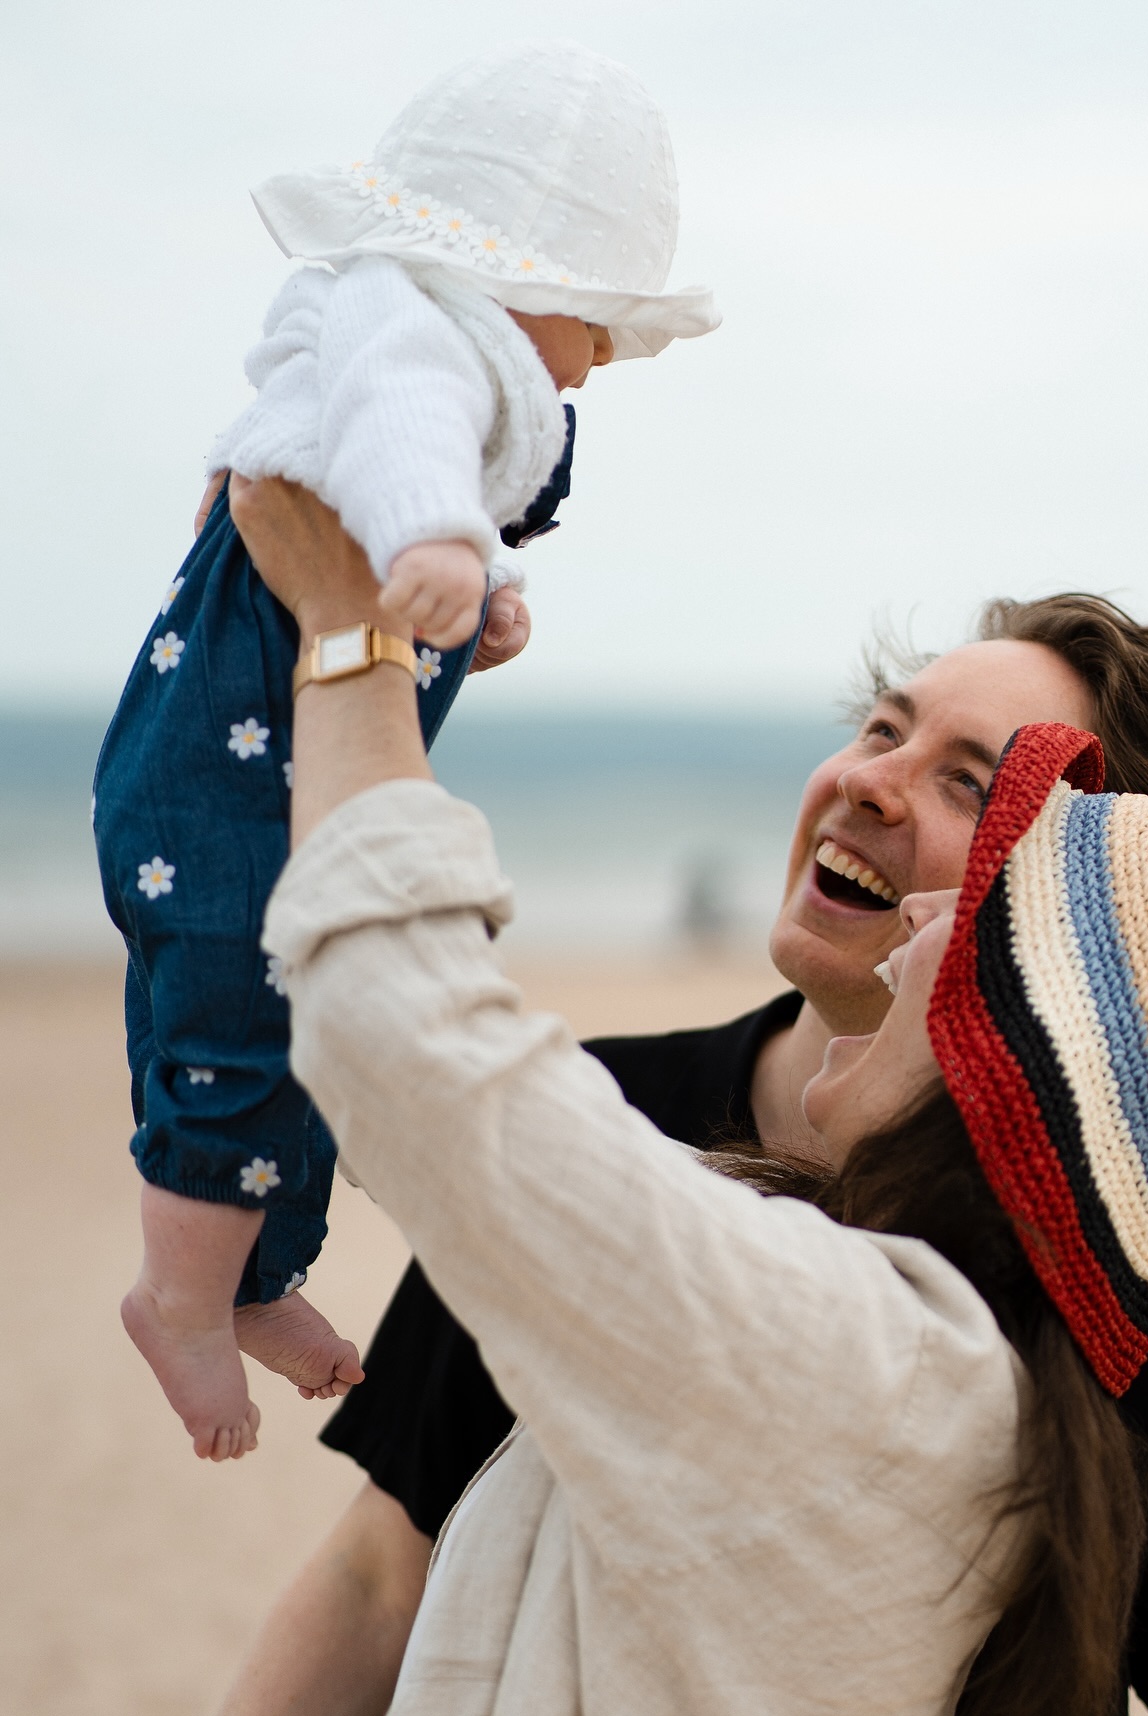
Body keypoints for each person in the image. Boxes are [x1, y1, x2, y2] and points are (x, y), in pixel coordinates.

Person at [182, 498, 1148, 1716]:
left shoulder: (864, 1338)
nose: (868, 780)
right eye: (881, 727)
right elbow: (378, 1576)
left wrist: (353, 636)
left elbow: (412, 1044)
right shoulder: (965, 1352)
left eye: (971, 785)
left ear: (1054, 991)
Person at [91, 42, 720, 1460]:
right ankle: (180, 1293)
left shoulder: (419, 330)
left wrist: (475, 586)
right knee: (238, 1014)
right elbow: (399, 430)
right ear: (518, 277)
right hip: (224, 759)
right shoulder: (413, 328)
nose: (602, 357)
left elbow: (376, 473)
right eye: (597, 322)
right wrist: (438, 534)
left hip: (261, 731)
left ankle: (255, 1275)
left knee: (318, 1008)